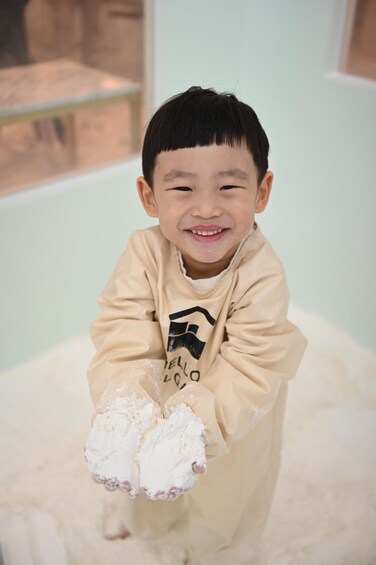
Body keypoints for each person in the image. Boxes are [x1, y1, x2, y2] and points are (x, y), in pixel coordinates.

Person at [84, 86, 307, 564]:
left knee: (226, 499)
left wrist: (195, 423)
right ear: (149, 196)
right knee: (146, 470)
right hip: (160, 394)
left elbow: (253, 365)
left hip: (233, 416)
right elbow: (123, 330)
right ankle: (144, 521)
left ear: (261, 191)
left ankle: (216, 553)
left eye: (229, 187)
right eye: (182, 188)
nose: (206, 208)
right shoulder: (145, 253)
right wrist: (124, 399)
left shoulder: (260, 274)